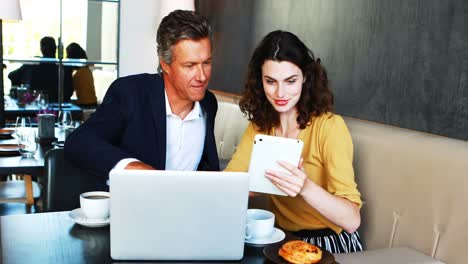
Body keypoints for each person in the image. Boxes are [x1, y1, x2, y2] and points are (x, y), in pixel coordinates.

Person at [225, 30, 363, 253]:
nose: (280, 92)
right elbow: (228, 185)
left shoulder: (329, 127)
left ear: (305, 78)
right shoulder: (259, 128)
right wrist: (251, 186)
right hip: (280, 240)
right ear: (260, 81)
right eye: (271, 81)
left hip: (329, 243)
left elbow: (352, 220)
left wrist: (305, 187)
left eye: (290, 81)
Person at [64, 10, 219, 190]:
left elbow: (206, 168)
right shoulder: (130, 94)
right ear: (165, 64)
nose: (202, 76)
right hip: (131, 209)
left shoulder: (208, 103)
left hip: (186, 211)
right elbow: (79, 143)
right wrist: (132, 167)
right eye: (190, 66)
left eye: (206, 63)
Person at [8, 36, 73, 102]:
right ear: (55, 48)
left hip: (36, 103)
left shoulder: (33, 64)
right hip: (59, 104)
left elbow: (11, 75)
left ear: (41, 49)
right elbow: (69, 92)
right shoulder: (64, 67)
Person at [66, 42, 98, 107]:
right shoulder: (87, 71)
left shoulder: (78, 74)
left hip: (84, 105)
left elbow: (69, 91)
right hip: (93, 103)